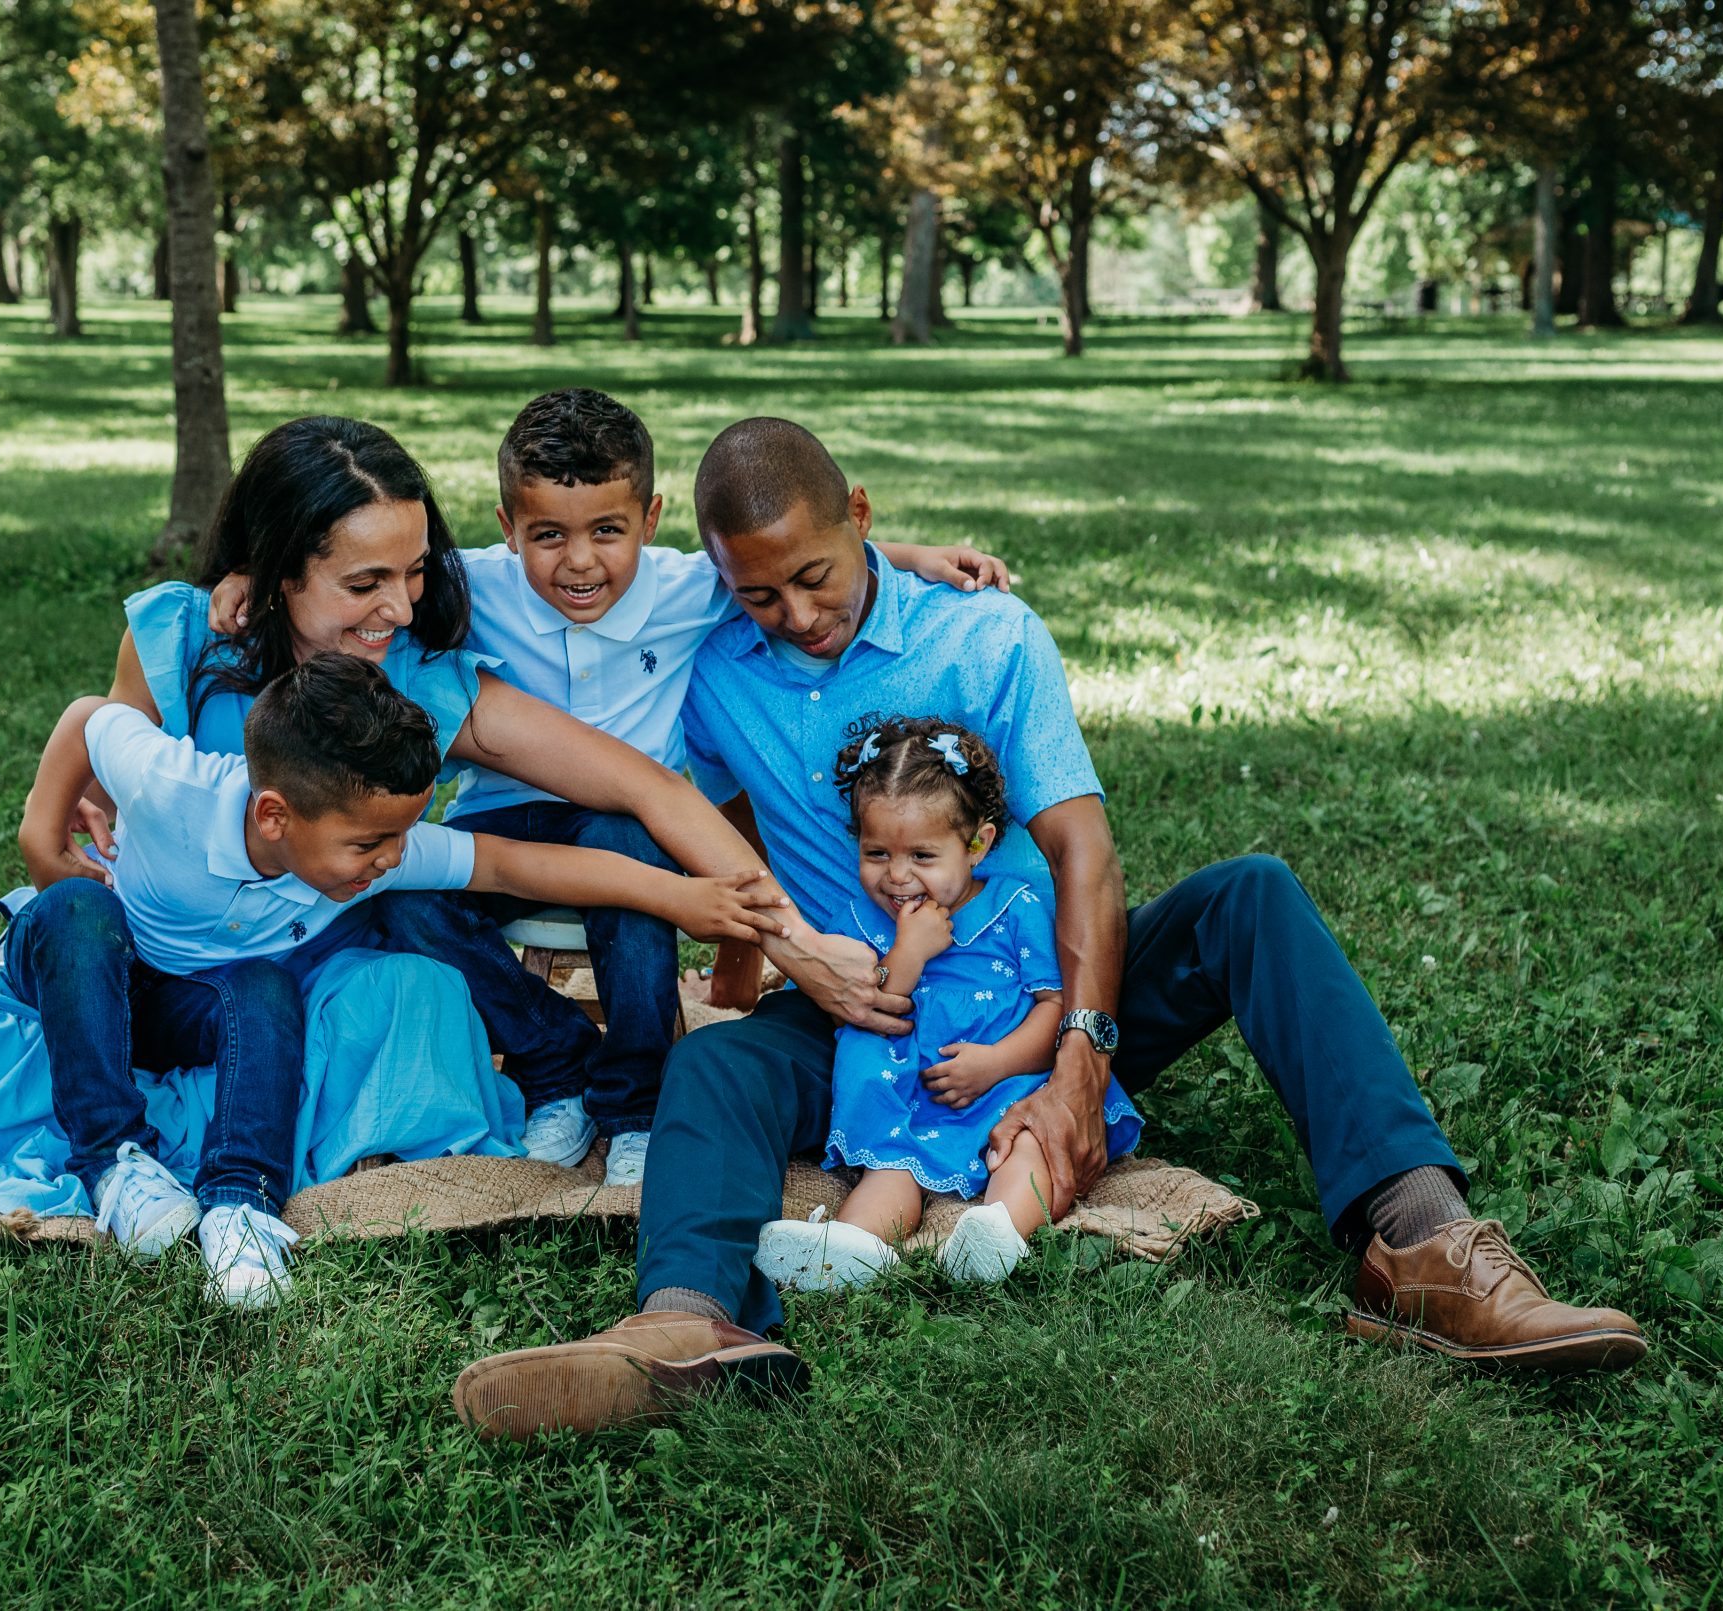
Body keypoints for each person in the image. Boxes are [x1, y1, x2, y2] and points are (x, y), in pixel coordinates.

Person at [452, 418, 1648, 1440]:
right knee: (714, 1057)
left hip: (1032, 988)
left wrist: (1081, 1058)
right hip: (864, 1016)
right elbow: (708, 816)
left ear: (861, 515)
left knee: (1252, 895)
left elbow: (1083, 856)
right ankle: (682, 1326)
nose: (797, 613)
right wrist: (764, 963)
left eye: (816, 575)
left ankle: (1425, 1247)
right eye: (759, 592)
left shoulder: (985, 637)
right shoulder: (714, 660)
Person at [202, 390, 1011, 1181]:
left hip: (634, 820)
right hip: (506, 822)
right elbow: (345, 557)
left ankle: (635, 1101)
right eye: (548, 534)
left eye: (608, 532)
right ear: (508, 530)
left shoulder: (689, 589)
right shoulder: (456, 588)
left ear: (650, 522)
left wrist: (906, 559)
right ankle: (556, 1061)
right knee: (400, 896)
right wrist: (245, 573)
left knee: (631, 859)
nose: (580, 560)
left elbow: (792, 554)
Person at [19, 415, 830, 1175]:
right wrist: (50, 824)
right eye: (365, 581)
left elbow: (642, 788)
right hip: (179, 948)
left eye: (412, 574)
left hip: (314, 959)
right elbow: (109, 749)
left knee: (407, 900)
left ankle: (578, 1073)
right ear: (277, 569)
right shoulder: (185, 635)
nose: (402, 609)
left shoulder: (413, 675)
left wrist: (797, 945)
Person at [15, 652, 787, 1304]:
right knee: (75, 907)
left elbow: (515, 863)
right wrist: (42, 836)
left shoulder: (375, 845)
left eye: (402, 834)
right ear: (276, 816)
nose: (391, 856)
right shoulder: (169, 782)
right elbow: (92, 714)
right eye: (371, 843)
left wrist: (683, 895)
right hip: (96, 967)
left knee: (263, 986)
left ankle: (236, 1204)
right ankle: (111, 1159)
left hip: (201, 1001)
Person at [750, 718, 1141, 1292]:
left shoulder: (1016, 907)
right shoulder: (853, 922)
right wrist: (908, 952)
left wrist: (998, 1063)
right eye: (877, 852)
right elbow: (854, 1009)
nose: (898, 876)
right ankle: (852, 1249)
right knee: (889, 1170)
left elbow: (1055, 1006)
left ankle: (999, 1231)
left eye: (923, 856)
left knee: (1032, 1147)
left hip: (1011, 1087)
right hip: (908, 1098)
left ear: (977, 845)